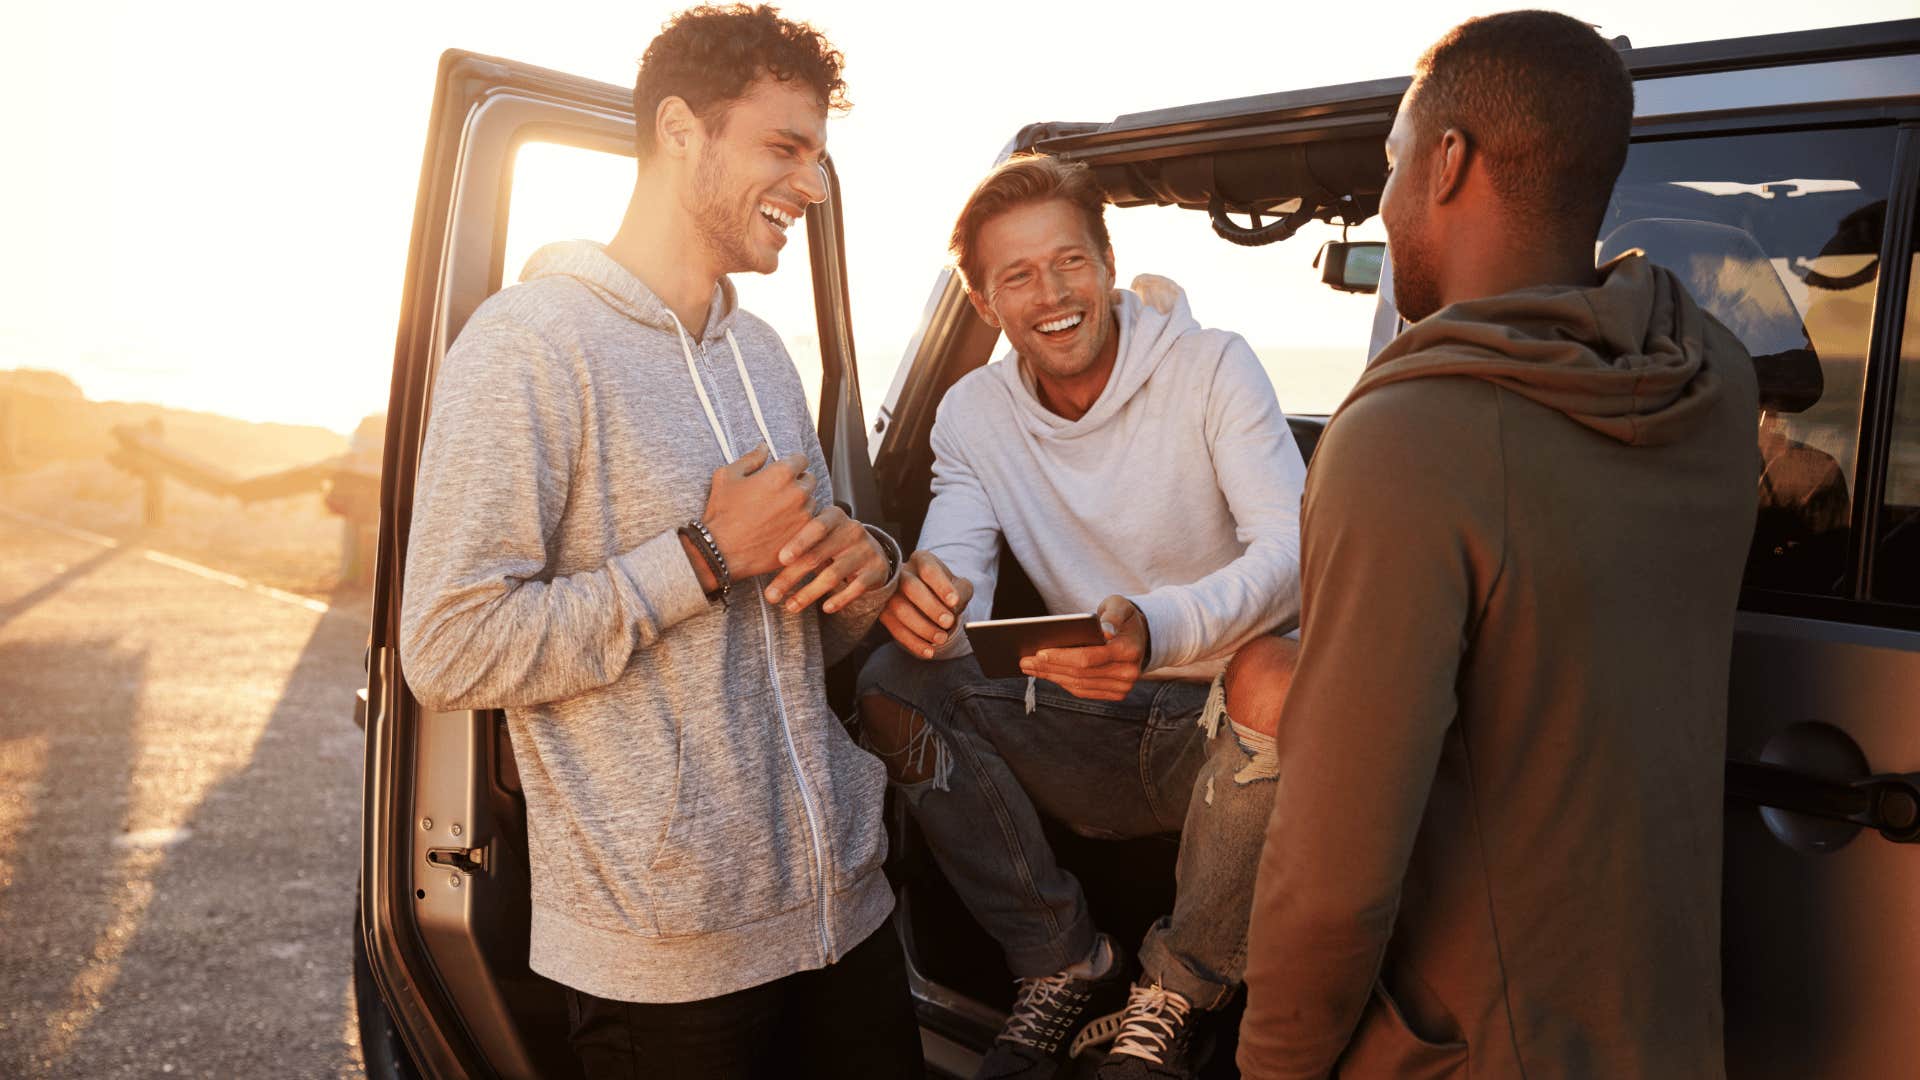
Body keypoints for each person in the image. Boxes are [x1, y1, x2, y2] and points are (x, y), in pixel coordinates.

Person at [1232, 11, 1759, 1078]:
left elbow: (1332, 872)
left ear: (1448, 161)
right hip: (1661, 1027)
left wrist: (1272, 1064)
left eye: (1389, 163)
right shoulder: (1712, 385)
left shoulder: (1408, 441)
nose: (1383, 202)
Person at [398, 7, 921, 1078]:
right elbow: (447, 648)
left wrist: (867, 568)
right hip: (666, 963)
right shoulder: (530, 345)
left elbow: (804, 641)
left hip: (844, 915)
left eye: (819, 157)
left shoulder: (765, 354)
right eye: (785, 148)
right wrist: (699, 559)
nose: (812, 187)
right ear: (680, 129)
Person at [856, 153, 1307, 1080]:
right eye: (1016, 276)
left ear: (1106, 264)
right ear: (985, 305)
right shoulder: (970, 413)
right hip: (1078, 719)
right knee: (892, 681)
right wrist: (930, 600)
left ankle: (1177, 990)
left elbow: (1294, 558)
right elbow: (960, 570)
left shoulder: (1213, 364)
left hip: (1221, 738)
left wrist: (1152, 629)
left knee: (1279, 673)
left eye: (1069, 262)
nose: (1051, 293)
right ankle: (1061, 958)